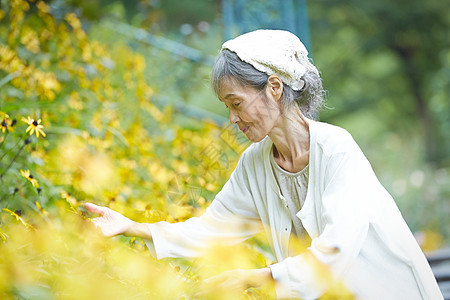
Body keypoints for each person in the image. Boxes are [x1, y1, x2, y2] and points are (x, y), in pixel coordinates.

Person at [84, 30, 443, 299]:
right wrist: (132, 227)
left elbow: (336, 250)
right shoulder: (255, 163)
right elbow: (213, 229)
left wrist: (255, 277)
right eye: (227, 106)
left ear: (274, 87)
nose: (232, 119)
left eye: (236, 103)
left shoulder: (337, 150)